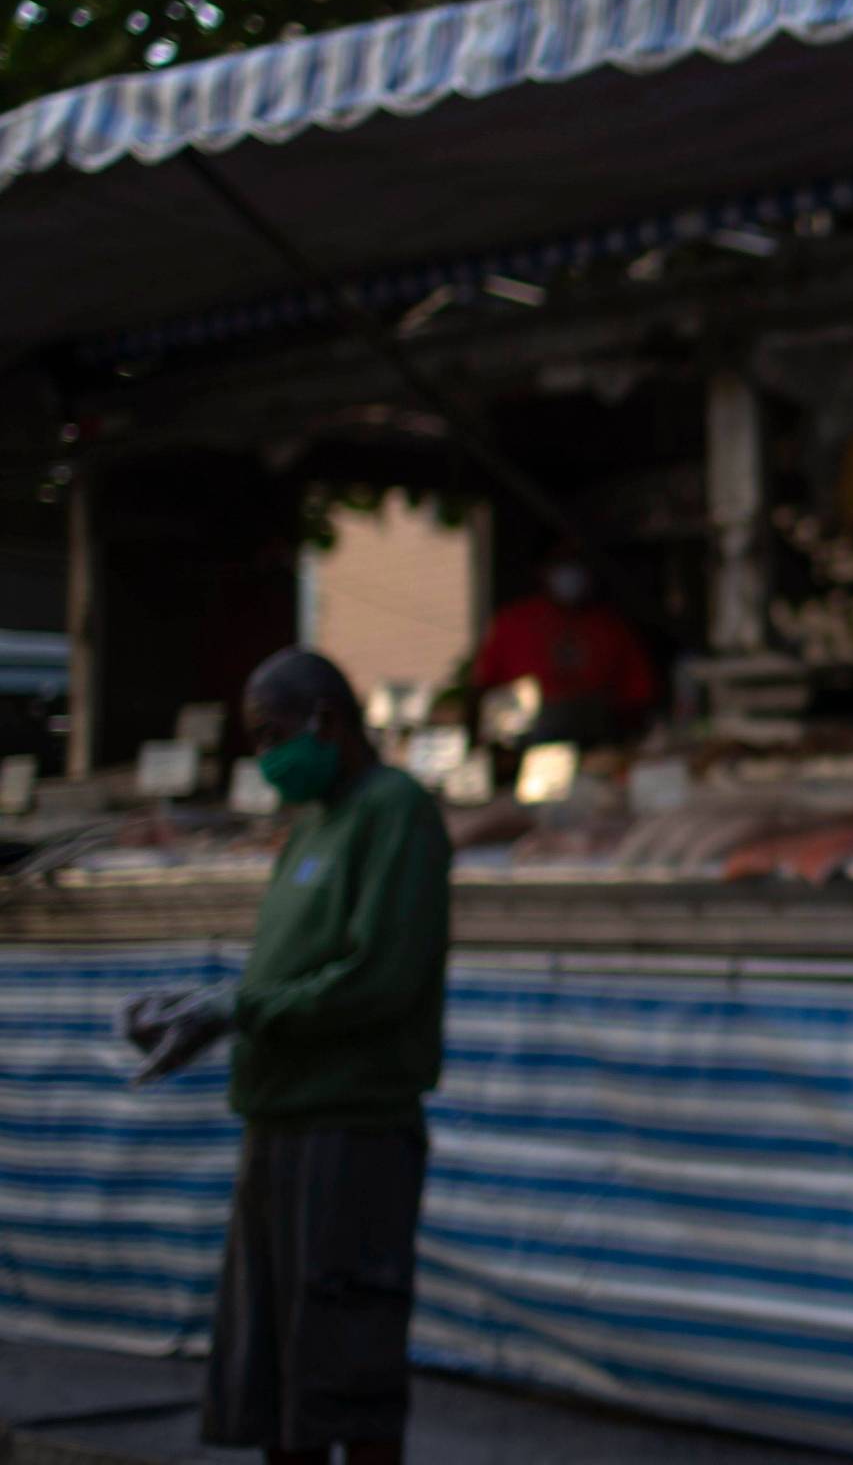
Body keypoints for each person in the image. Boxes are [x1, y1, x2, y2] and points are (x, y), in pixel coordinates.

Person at [121, 648, 452, 1465]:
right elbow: (296, 968)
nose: (266, 756)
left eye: (273, 734)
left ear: (325, 721)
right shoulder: (314, 823)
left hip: (351, 1130)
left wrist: (245, 1008)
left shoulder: (394, 809)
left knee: (349, 1366)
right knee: (277, 1382)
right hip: (279, 1123)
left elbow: (380, 976)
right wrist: (208, 1014)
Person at [470, 546, 656, 746]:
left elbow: (637, 694)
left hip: (596, 745)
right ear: (544, 570)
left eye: (576, 563)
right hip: (525, 747)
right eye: (561, 563)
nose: (569, 574)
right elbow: (483, 685)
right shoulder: (515, 621)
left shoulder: (608, 626)